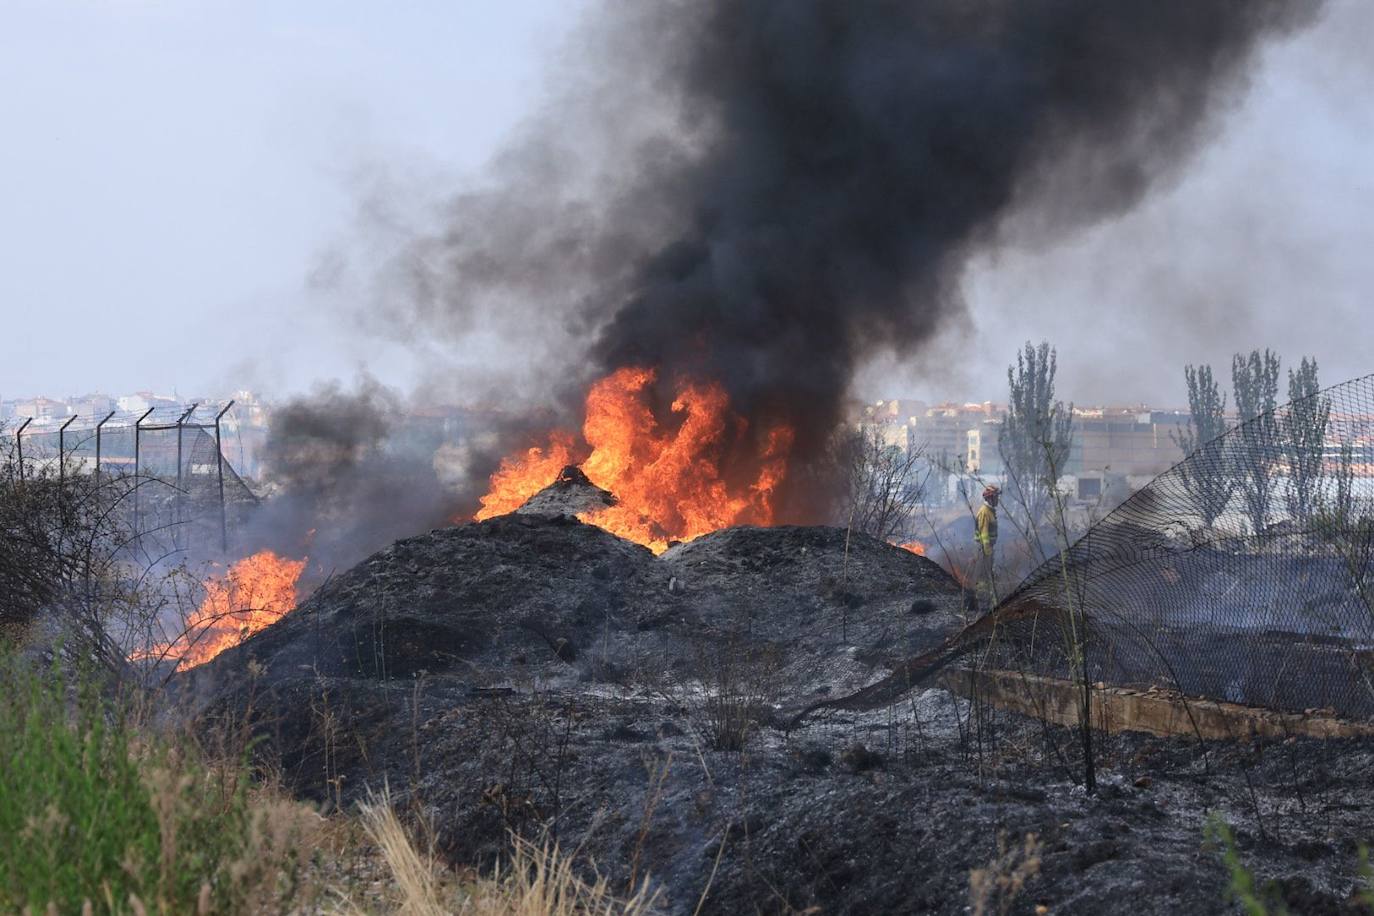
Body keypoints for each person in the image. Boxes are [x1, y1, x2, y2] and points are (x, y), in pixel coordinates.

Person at [974, 485, 999, 607]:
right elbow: (984, 534)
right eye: (996, 496)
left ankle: (989, 601)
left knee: (988, 574)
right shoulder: (985, 512)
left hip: (987, 548)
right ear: (990, 498)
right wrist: (988, 552)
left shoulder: (990, 511)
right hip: (984, 549)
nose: (998, 499)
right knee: (984, 575)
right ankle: (983, 603)